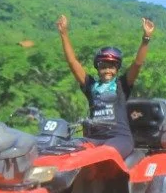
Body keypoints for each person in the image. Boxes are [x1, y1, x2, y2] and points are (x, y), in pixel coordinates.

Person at [55, 14, 155, 159]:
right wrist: (63, 34)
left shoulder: (121, 85)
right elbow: (72, 62)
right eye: (103, 66)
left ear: (117, 69)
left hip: (119, 138)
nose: (107, 70)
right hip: (94, 139)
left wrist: (146, 39)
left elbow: (138, 64)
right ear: (97, 68)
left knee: (101, 156)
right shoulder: (91, 86)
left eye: (112, 67)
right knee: (68, 151)